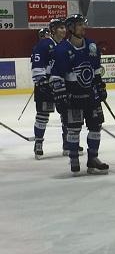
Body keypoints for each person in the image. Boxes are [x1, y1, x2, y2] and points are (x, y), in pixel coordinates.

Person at [50, 14, 109, 175]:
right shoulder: (62, 49)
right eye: (79, 25)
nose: (83, 27)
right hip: (73, 98)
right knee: (74, 130)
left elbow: (96, 70)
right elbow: (56, 76)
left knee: (96, 127)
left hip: (91, 96)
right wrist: (60, 96)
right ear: (71, 28)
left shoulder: (91, 46)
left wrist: (100, 86)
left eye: (83, 24)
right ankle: (74, 158)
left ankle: (93, 159)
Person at [31, 19, 76, 159]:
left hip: (62, 85)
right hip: (46, 86)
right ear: (53, 30)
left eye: (64, 28)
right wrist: (41, 81)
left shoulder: (66, 45)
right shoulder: (44, 44)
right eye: (60, 28)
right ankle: (38, 143)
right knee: (43, 116)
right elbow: (37, 63)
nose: (63, 30)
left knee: (66, 115)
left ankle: (67, 144)